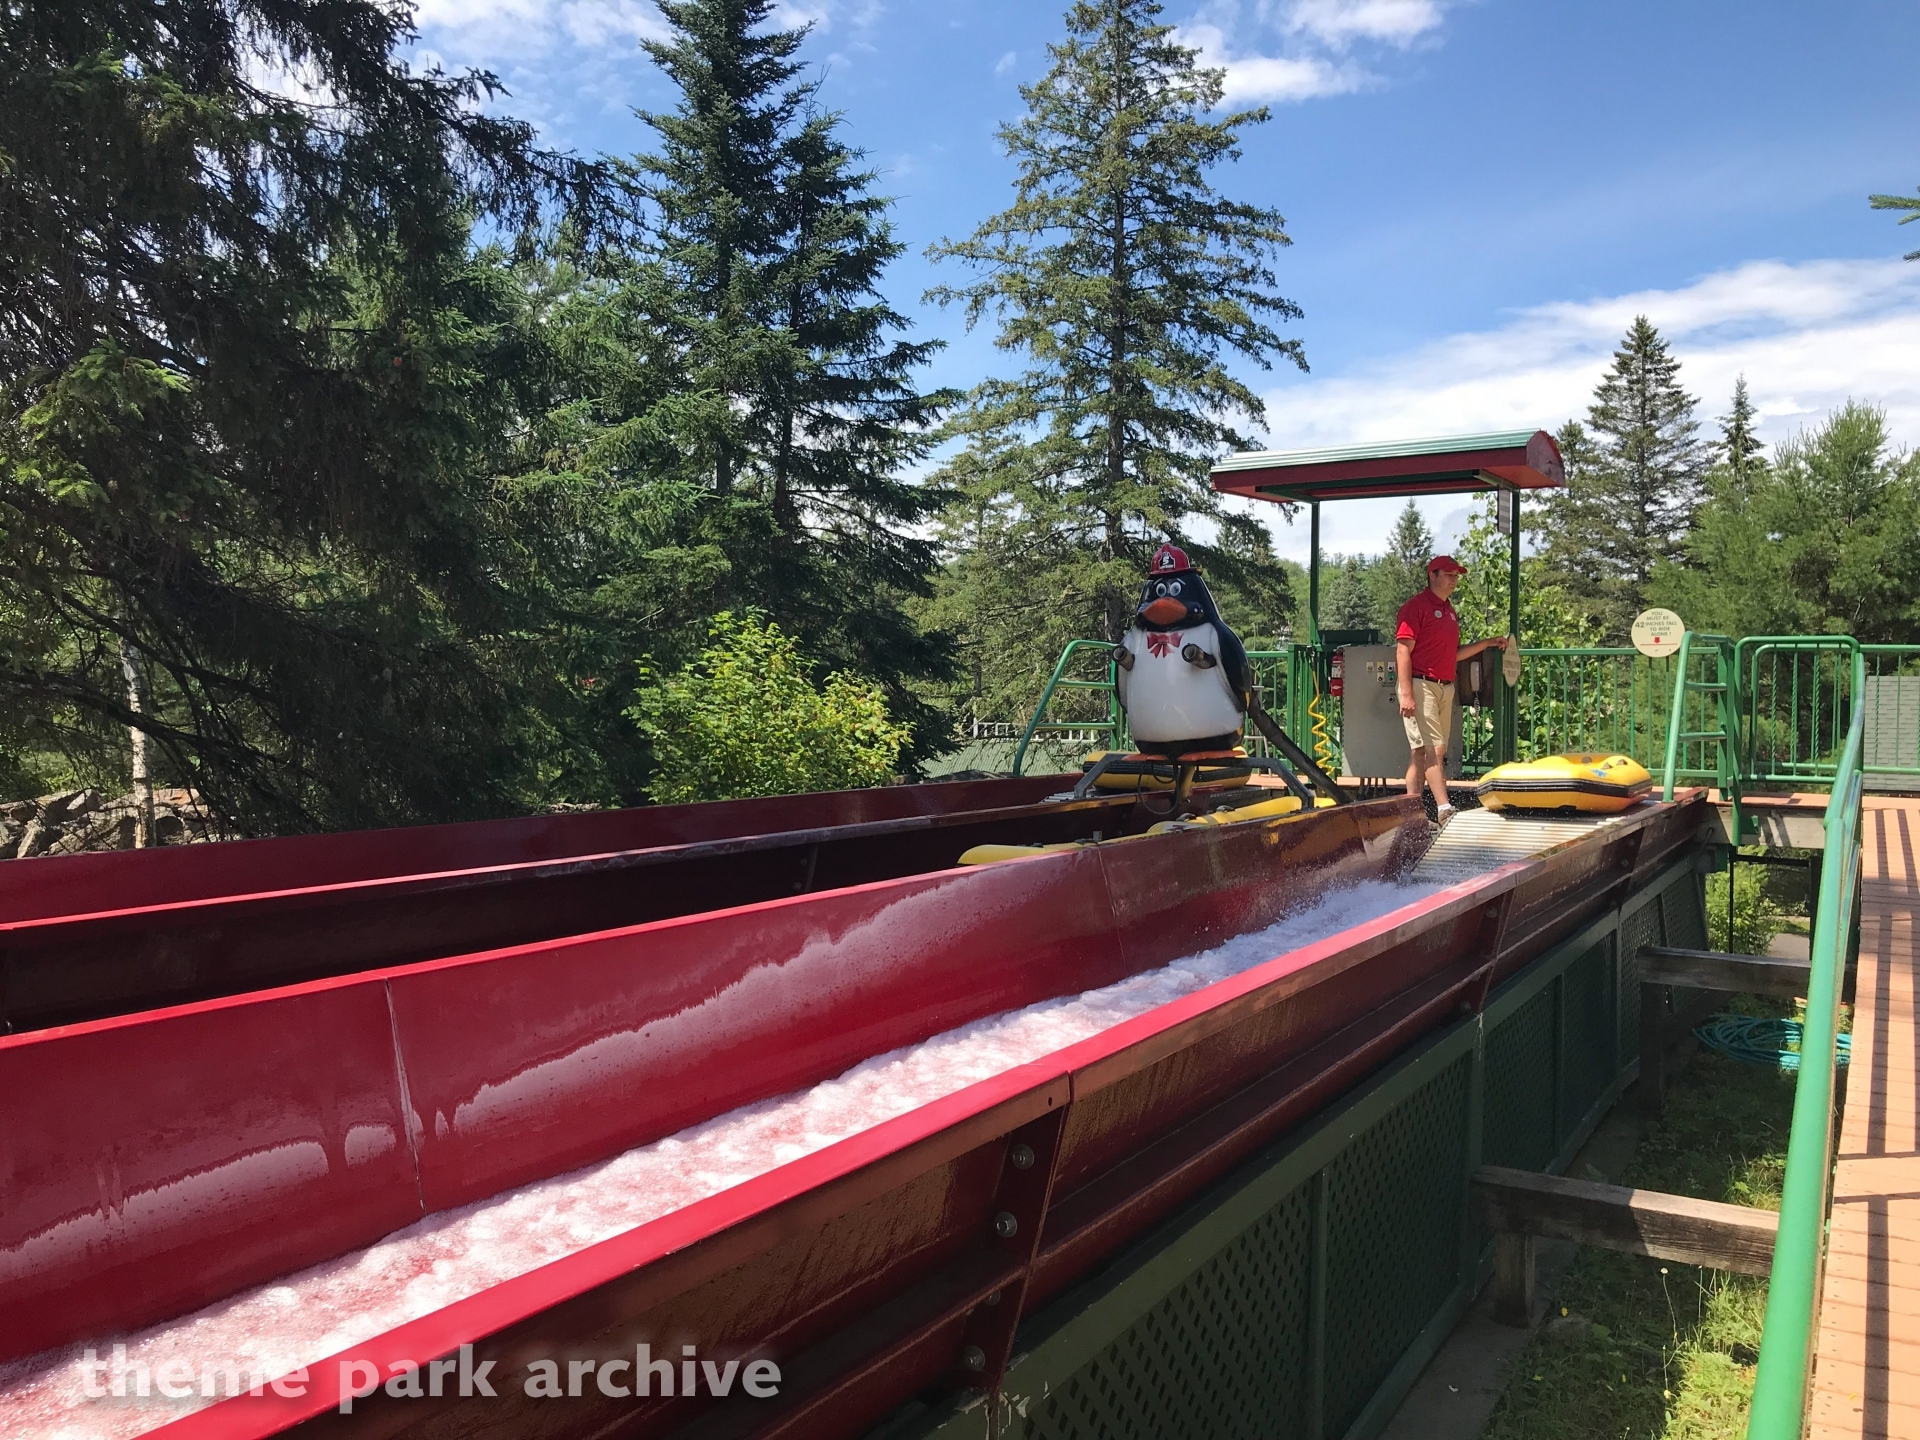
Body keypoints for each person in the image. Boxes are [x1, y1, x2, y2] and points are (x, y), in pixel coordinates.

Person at [1395, 555, 1511, 826]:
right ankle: (1444, 808)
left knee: (1421, 752)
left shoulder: (1449, 611)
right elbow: (1402, 651)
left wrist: (1486, 643)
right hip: (1420, 683)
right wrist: (1407, 693)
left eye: (1456, 575)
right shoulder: (1415, 607)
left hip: (1444, 686)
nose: (1454, 579)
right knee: (1434, 749)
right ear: (1432, 575)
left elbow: (1453, 655)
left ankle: (1411, 816)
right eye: (1448, 574)